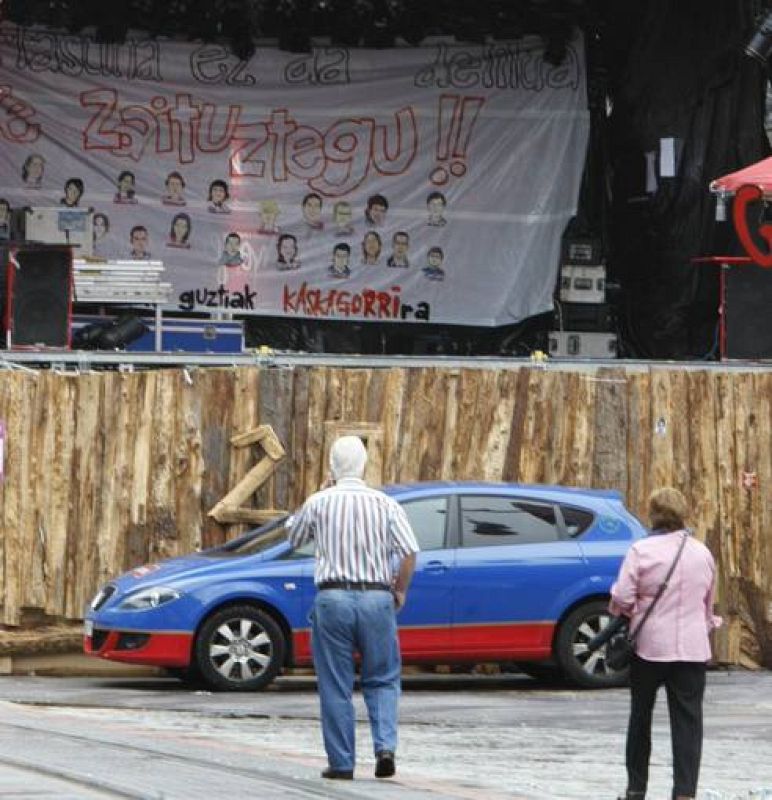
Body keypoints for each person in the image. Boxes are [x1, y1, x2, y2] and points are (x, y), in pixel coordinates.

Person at [288, 435, 419, 781]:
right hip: (377, 597)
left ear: (332, 466)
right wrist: (399, 590)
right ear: (364, 466)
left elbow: (294, 537)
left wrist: (316, 493)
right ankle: (385, 747)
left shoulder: (319, 502)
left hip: (332, 598)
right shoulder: (386, 504)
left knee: (335, 683)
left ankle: (342, 762)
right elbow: (409, 551)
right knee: (383, 677)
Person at [610, 487, 722, 800]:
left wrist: (632, 610)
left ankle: (636, 788)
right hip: (692, 648)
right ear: (683, 512)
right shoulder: (702, 553)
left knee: (640, 717)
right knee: (688, 723)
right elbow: (707, 604)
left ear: (653, 513)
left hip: (650, 647)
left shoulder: (641, 551)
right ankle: (684, 792)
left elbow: (622, 596)